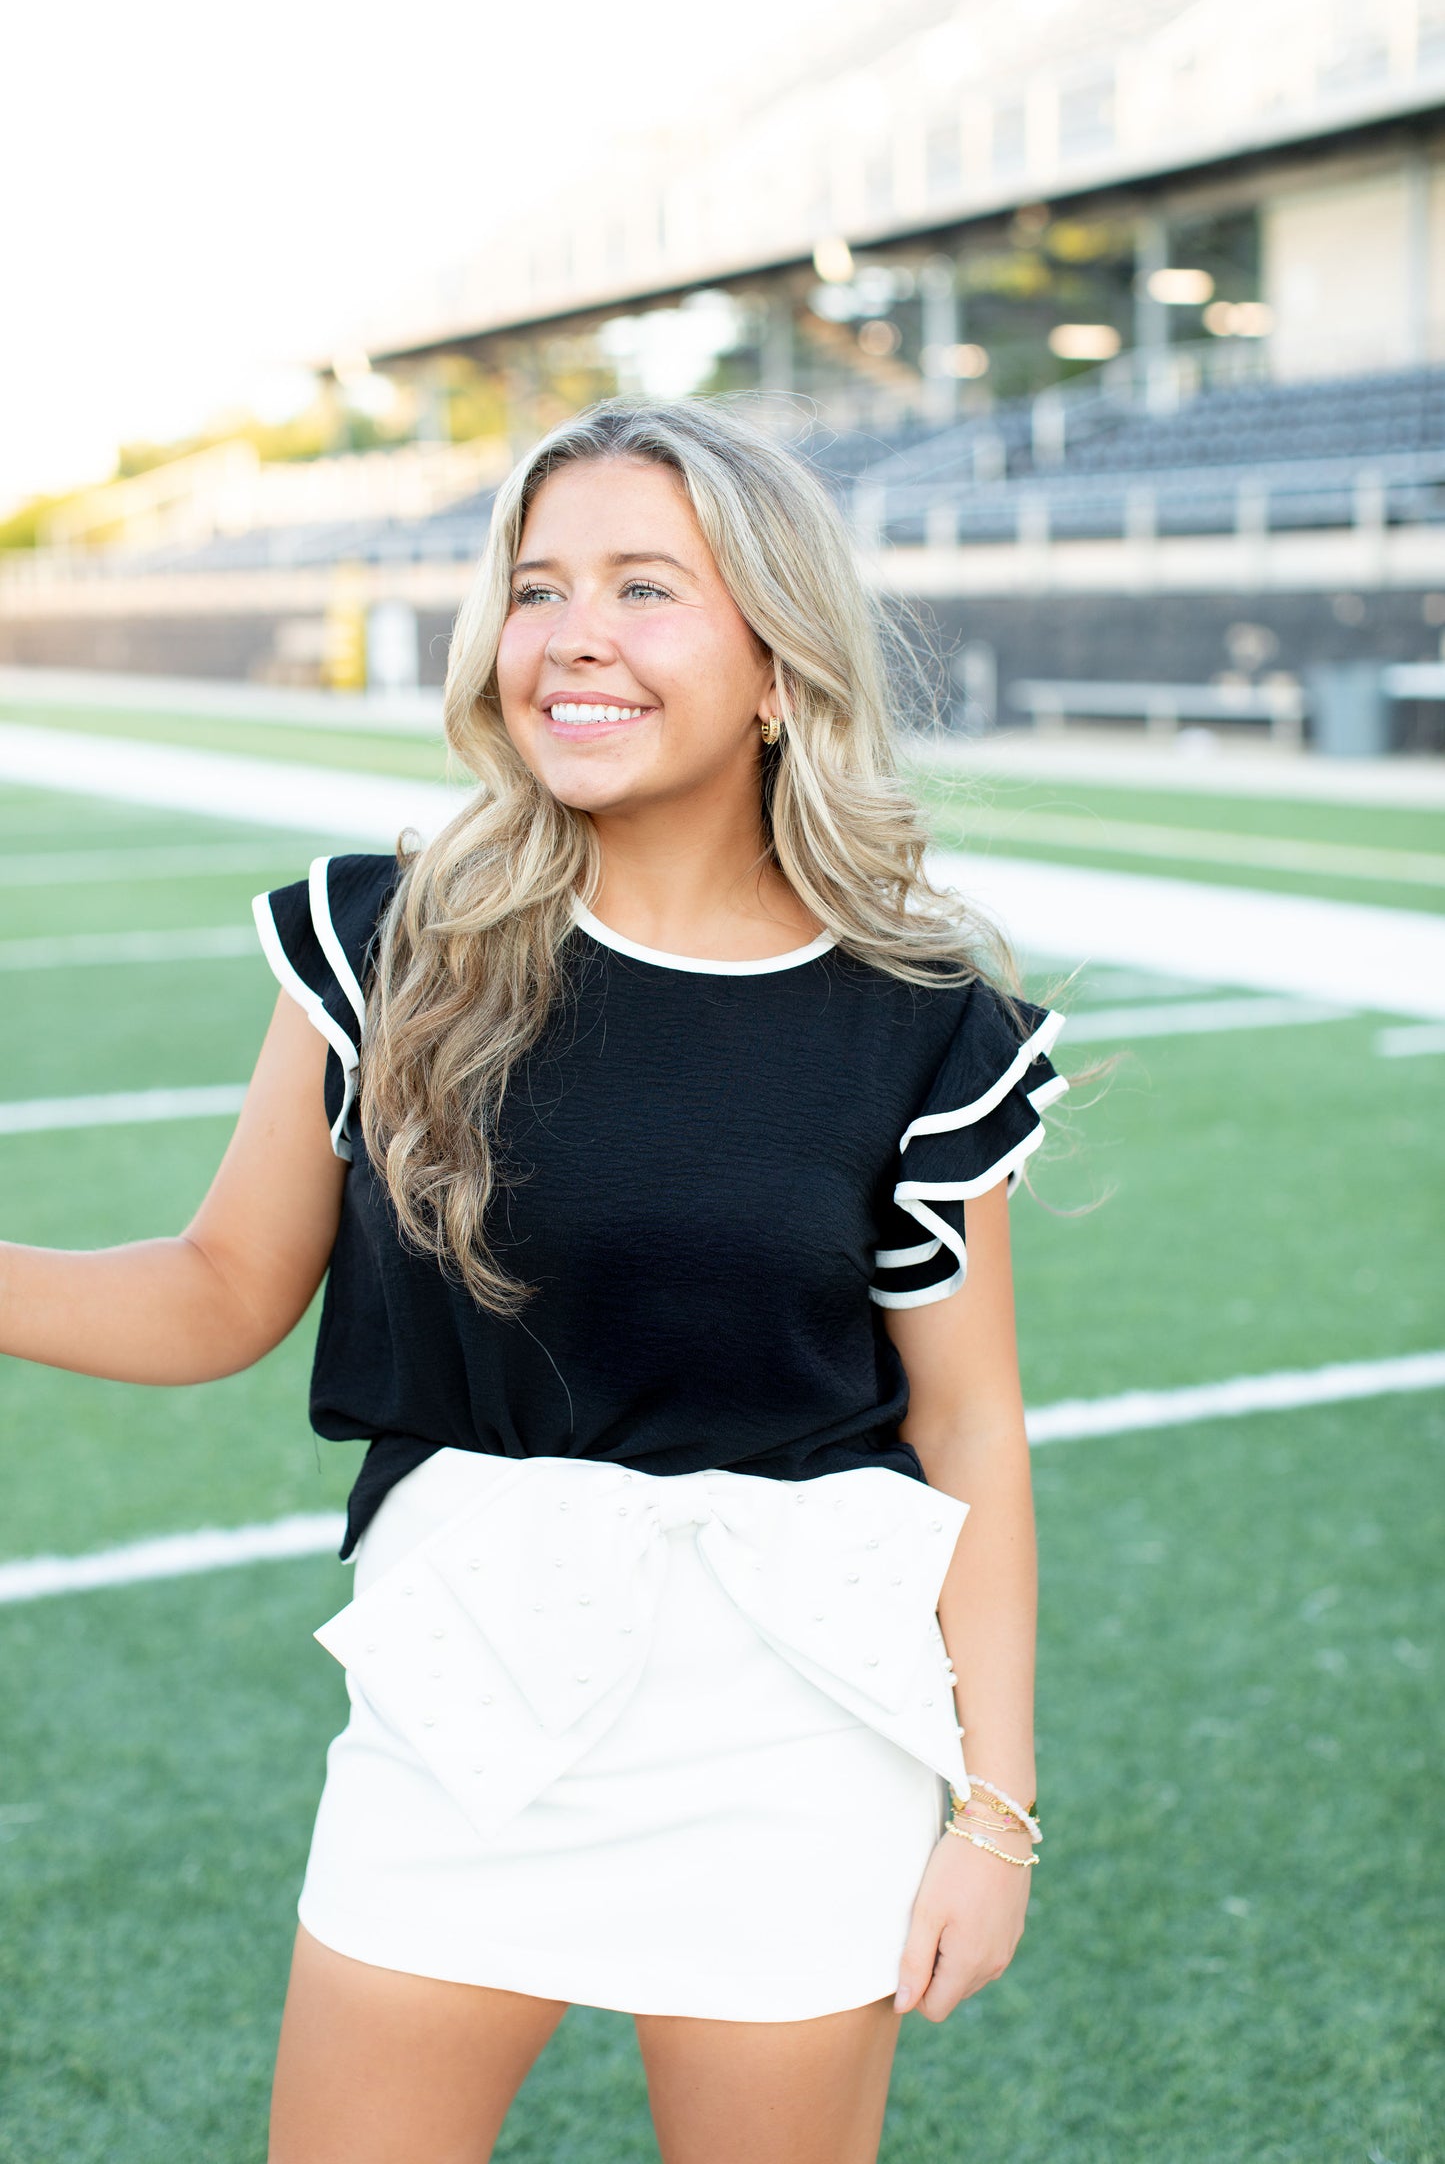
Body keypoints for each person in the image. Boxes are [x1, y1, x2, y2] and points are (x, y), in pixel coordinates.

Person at [2, 397, 1072, 2164]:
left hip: (796, 1725)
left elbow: (969, 1428)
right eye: (536, 585)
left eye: (645, 588)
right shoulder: (386, 942)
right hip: (465, 1683)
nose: (571, 634)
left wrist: (995, 1814)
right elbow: (212, 1294)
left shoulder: (920, 1029)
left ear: (775, 660)